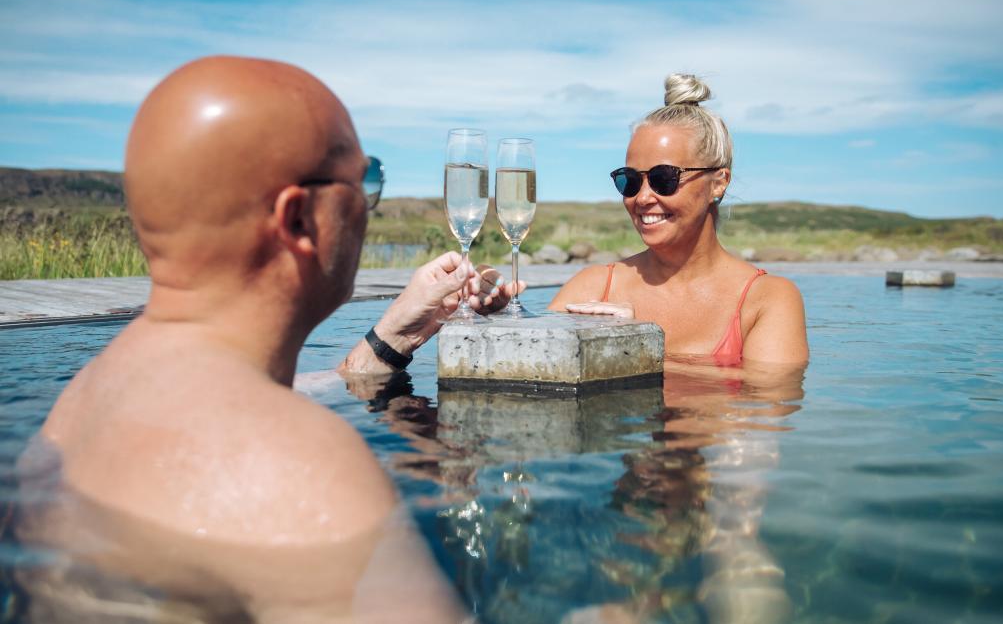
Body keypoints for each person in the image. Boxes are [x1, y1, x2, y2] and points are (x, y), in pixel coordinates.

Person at [16, 55, 504, 622]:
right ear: (298, 219)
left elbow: (282, 395)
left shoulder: (84, 399)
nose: (370, 207)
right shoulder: (298, 467)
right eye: (363, 181)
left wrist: (396, 332)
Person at [549, 73, 808, 365]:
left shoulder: (767, 300)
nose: (643, 197)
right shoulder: (592, 286)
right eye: (630, 181)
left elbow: (767, 403)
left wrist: (636, 348)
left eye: (663, 179)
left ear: (718, 183)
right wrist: (492, 314)